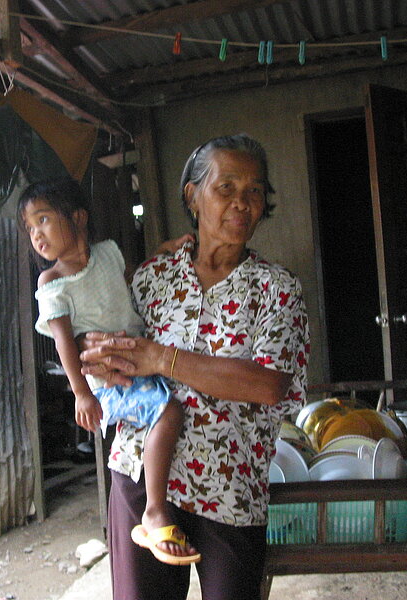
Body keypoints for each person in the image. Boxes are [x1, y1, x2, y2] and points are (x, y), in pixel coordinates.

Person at [79, 133, 310, 600]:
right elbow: (106, 349)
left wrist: (161, 358)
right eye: (226, 188)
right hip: (143, 480)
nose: (242, 203)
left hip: (230, 490)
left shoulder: (276, 288)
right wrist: (99, 355)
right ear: (193, 195)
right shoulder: (152, 278)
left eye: (254, 191)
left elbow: (267, 386)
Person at [17, 178, 201, 566]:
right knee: (169, 413)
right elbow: (64, 342)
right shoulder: (51, 282)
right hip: (109, 381)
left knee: (174, 410)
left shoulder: (108, 254)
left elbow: (134, 280)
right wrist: (81, 392)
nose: (36, 234)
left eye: (44, 220)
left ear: (79, 218)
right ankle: (154, 510)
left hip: (140, 363)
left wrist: (162, 254)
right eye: (30, 228)